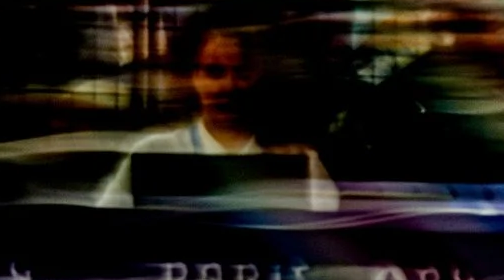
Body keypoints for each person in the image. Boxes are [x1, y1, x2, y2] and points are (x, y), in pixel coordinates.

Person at [93, 19, 338, 210]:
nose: (228, 86)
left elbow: (330, 253)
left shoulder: (299, 161)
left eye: (242, 72)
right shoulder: (153, 151)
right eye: (214, 71)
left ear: (260, 75)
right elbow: (108, 234)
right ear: (194, 76)